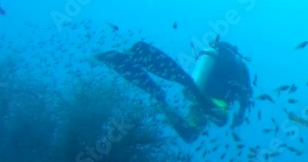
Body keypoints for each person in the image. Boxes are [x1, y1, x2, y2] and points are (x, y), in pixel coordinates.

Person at [96, 37, 252, 142]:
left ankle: (160, 96)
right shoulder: (240, 66)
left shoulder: (213, 57)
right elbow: (245, 94)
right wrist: (241, 114)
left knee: (190, 135)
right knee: (217, 122)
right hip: (214, 103)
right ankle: (163, 98)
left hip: (194, 92)